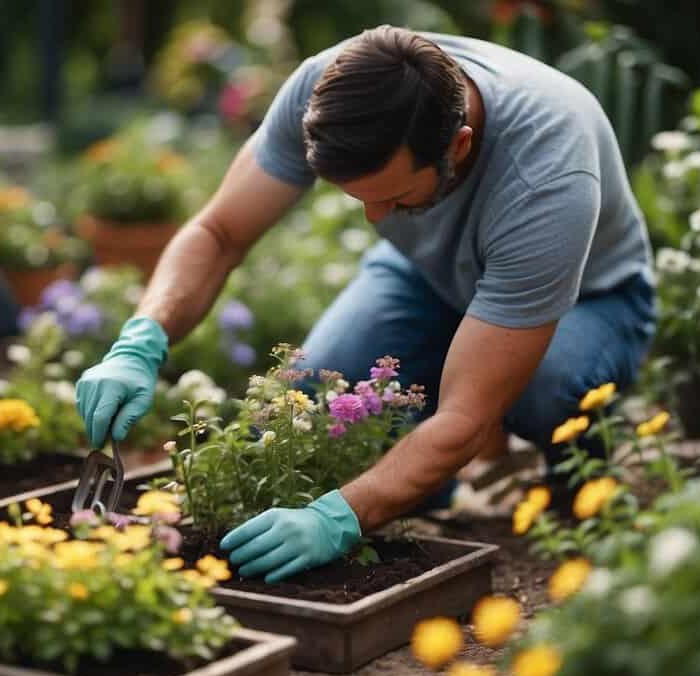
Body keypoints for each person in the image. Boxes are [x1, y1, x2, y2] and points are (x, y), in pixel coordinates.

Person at [75, 25, 656, 583]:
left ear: (458, 146)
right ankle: (428, 479)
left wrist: (340, 517)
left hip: (590, 300)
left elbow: (464, 418)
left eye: (394, 197)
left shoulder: (548, 176)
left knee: (543, 390)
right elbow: (219, 233)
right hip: (427, 278)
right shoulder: (332, 93)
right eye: (357, 197)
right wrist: (141, 339)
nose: (373, 217)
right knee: (322, 401)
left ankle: (577, 472)